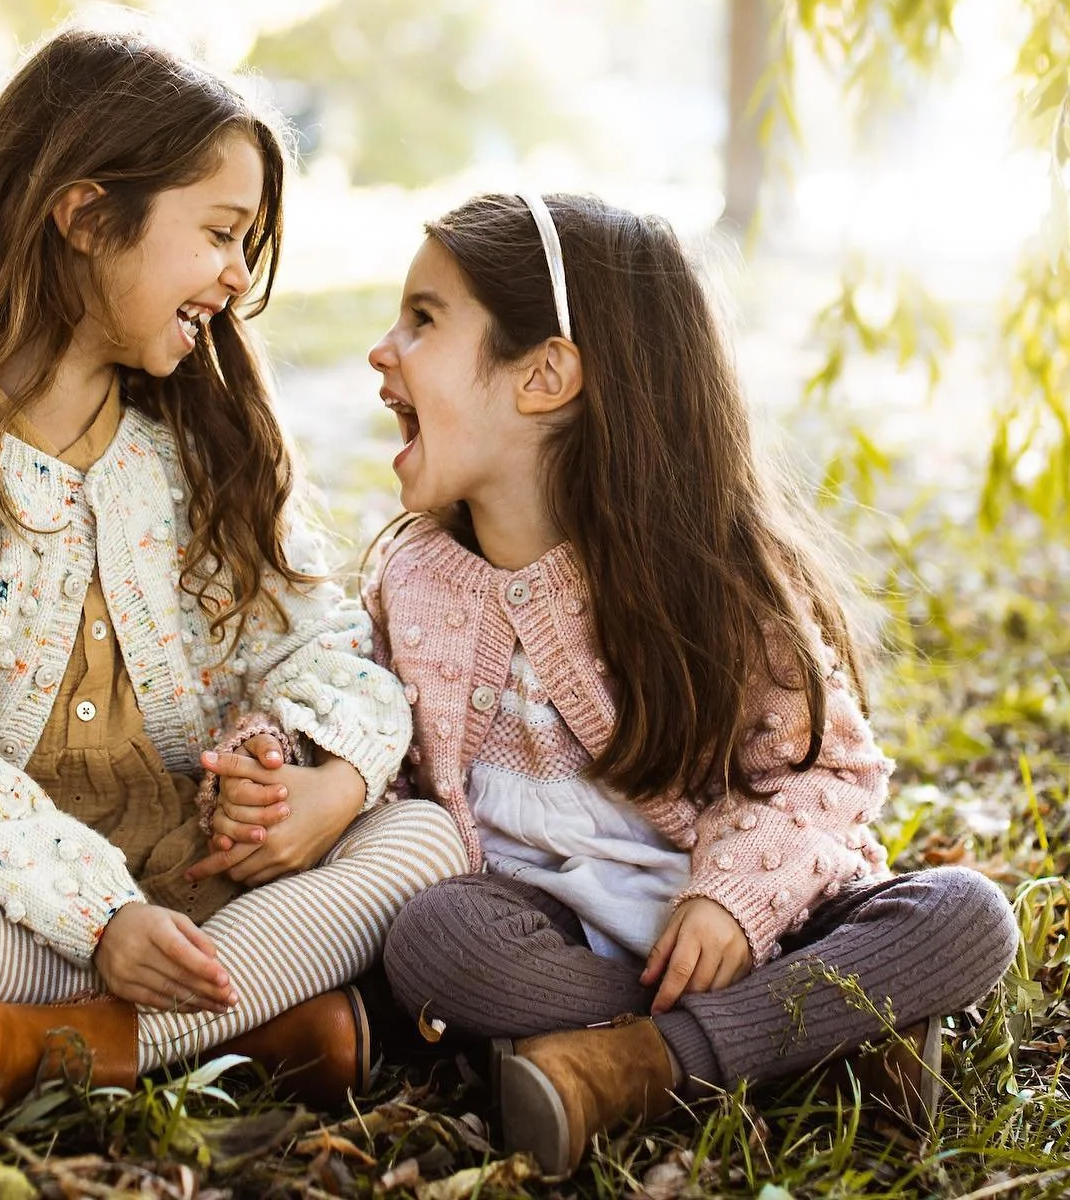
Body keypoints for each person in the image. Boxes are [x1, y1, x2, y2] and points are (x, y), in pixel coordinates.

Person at [0, 27, 466, 1115]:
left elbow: (332, 654)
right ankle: (247, 1020)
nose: (240, 277)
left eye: (248, 242)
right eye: (220, 233)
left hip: (178, 876)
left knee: (423, 836)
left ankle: (67, 1040)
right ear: (87, 215)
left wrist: (317, 779)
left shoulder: (202, 452)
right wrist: (98, 922)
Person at [353, 191, 1013, 1175]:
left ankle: (644, 1064)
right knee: (435, 939)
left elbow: (827, 778)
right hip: (557, 942)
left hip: (767, 930)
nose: (383, 350)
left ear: (544, 374)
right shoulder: (411, 580)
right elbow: (378, 750)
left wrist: (731, 901)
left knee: (965, 916)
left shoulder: (706, 581)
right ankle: (796, 1048)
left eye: (424, 319)